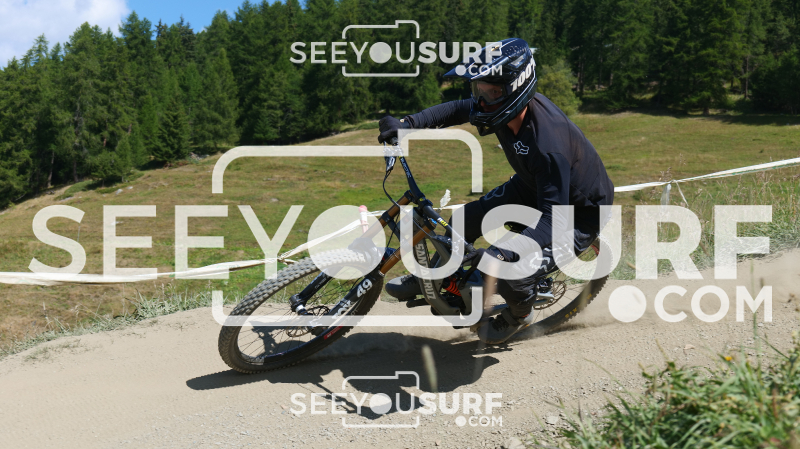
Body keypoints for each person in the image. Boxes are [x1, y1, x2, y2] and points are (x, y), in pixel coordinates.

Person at [377, 38, 615, 344]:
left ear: (515, 88)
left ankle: (519, 315)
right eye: (480, 89)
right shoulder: (501, 107)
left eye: (492, 92)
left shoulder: (547, 146)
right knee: (463, 220)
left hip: (577, 213)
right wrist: (407, 123)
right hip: (532, 185)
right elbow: (458, 109)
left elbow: (553, 220)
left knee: (502, 265)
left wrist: (503, 252)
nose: (481, 100)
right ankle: (437, 276)